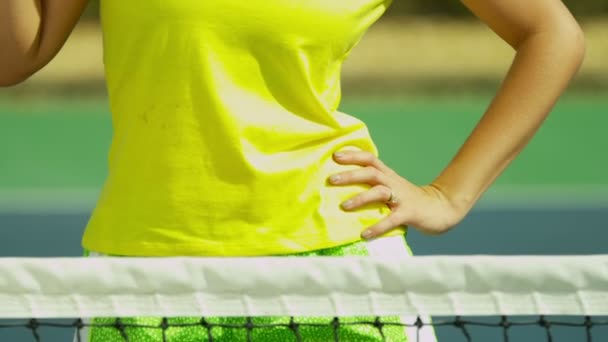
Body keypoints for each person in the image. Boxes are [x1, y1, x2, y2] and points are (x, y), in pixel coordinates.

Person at [1, 0, 584, 341]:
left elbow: (551, 33)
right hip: (142, 281)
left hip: (340, 276)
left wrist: (447, 194)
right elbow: (13, 56)